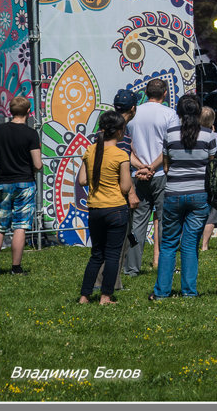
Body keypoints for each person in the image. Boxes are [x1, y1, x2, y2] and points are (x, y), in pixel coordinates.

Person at [150, 95, 217, 299]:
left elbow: (166, 165)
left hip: (173, 193)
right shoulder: (209, 136)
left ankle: (162, 292)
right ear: (199, 113)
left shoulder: (169, 134)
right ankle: (189, 291)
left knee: (169, 243)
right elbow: (211, 165)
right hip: (199, 195)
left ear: (178, 113)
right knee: (190, 245)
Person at [77, 111, 135, 304]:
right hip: (116, 208)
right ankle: (106, 296)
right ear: (120, 132)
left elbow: (82, 180)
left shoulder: (90, 150)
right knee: (112, 255)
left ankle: (84, 295)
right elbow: (126, 187)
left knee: (96, 254)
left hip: (94, 209)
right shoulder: (121, 154)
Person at [123, 78, 177, 276]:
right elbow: (170, 146)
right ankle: (166, 266)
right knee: (164, 221)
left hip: (137, 173)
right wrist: (153, 167)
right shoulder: (170, 114)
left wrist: (140, 166)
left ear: (146, 93)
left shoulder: (134, 113)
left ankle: (131, 268)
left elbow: (126, 147)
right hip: (161, 172)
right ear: (165, 94)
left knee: (137, 221)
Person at [0, 96, 43, 275]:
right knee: (20, 226)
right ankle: (16, 268)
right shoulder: (30, 134)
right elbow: (37, 164)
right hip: (25, 183)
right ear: (28, 112)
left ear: (10, 111)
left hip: (3, 181)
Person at [198, 106, 217, 252]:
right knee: (212, 214)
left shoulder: (191, 135)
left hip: (196, 178)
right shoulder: (216, 136)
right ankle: (205, 245)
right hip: (212, 178)